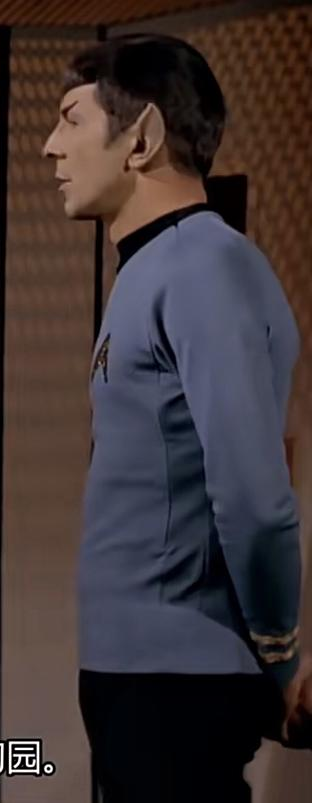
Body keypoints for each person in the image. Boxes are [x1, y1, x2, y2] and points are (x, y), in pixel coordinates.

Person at [43, 33, 312, 802]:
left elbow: (255, 497)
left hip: (176, 680)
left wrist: (281, 659)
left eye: (71, 119)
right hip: (137, 672)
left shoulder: (205, 265)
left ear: (144, 137)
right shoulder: (153, 268)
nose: (51, 145)